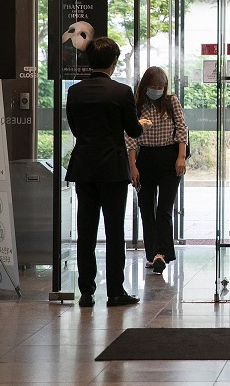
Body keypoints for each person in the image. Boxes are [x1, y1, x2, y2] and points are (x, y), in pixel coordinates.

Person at [65, 37, 151, 308]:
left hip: (84, 168)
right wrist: (143, 124)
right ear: (114, 62)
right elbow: (133, 130)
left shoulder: (75, 91)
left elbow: (76, 129)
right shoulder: (121, 92)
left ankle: (87, 292)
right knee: (114, 232)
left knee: (86, 231)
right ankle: (115, 291)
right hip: (112, 170)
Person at [126, 66, 188, 276]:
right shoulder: (136, 104)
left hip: (169, 158)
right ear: (145, 86)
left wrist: (180, 157)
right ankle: (152, 254)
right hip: (145, 159)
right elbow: (131, 138)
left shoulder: (171, 102)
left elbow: (181, 128)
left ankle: (161, 253)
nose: (157, 91)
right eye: (153, 87)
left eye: (160, 87)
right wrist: (132, 166)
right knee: (146, 208)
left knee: (164, 209)